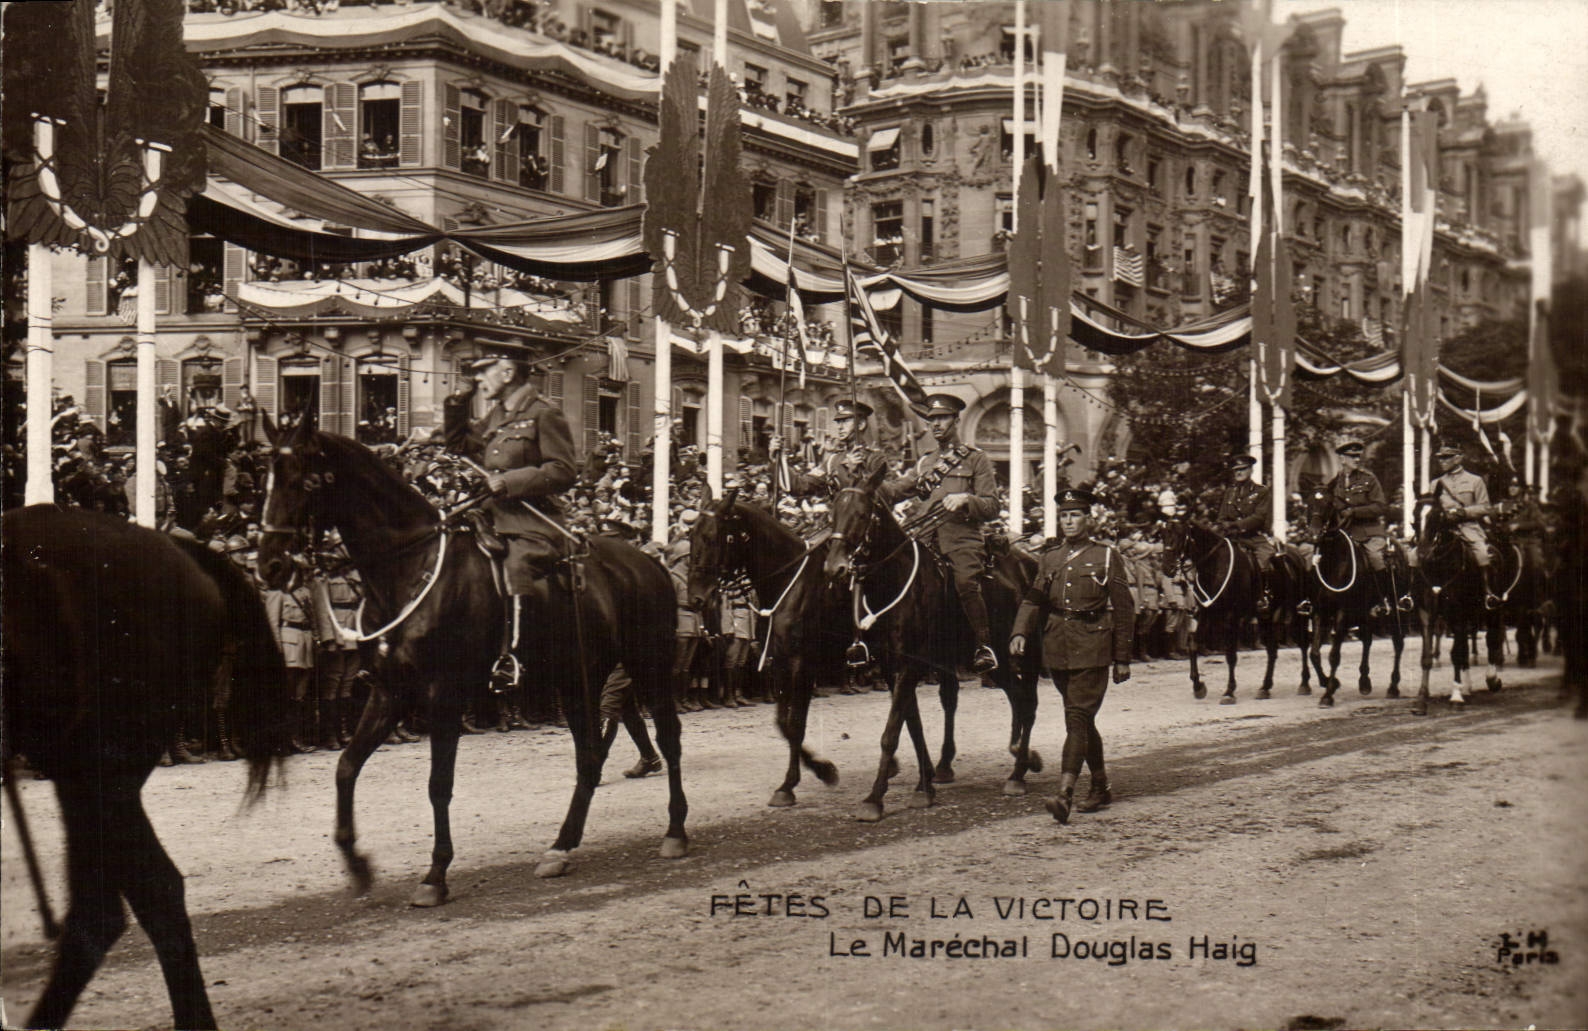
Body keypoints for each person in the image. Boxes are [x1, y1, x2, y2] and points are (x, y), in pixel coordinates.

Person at [444, 346, 579, 690]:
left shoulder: (544, 414)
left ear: (507, 373)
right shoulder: (497, 416)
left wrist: (510, 481)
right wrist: (460, 399)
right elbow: (458, 443)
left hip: (531, 521)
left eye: (483, 370)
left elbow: (563, 471)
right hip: (489, 513)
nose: (478, 378)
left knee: (517, 566)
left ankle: (514, 657)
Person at [1009, 488, 1134, 824]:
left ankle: (1065, 793)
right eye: (1064, 515)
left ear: (1088, 519)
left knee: (1076, 718)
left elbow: (1124, 609)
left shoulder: (1107, 557)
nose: (1068, 521)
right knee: (1081, 719)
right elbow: (1034, 599)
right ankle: (1101, 784)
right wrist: (1020, 631)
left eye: (1075, 515)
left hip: (1093, 647)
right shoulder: (1050, 558)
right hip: (1059, 648)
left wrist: (1122, 657)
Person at [881, 394, 1002, 674]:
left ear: (956, 420)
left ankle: (983, 646)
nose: (936, 424)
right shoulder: (925, 463)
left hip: (961, 539)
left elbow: (992, 505)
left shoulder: (975, 459)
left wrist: (965, 499)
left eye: (942, 418)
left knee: (964, 582)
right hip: (923, 539)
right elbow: (895, 490)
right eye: (932, 419)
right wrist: (863, 481)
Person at [1323, 440, 1400, 616]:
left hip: (1368, 532)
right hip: (1342, 534)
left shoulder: (1368, 479)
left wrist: (1354, 512)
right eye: (1351, 456)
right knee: (1321, 557)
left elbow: (1380, 506)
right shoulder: (1334, 483)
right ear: (1342, 459)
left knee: (1375, 557)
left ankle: (1383, 599)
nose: (1356, 459)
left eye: (1358, 456)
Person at [1431, 441, 1499, 608]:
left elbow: (1485, 507)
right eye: (1440, 458)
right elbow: (1430, 507)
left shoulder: (1475, 481)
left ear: (1458, 458)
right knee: (1416, 554)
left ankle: (1488, 592)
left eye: (1446, 457)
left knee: (1482, 553)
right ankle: (1415, 596)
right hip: (1443, 529)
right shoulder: (1435, 484)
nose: (1442, 461)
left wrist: (1464, 512)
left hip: (1468, 528)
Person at [772, 398, 883, 498]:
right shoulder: (833, 461)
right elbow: (802, 486)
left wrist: (852, 472)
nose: (839, 427)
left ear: (861, 425)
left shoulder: (874, 459)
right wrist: (777, 459)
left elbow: (875, 495)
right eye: (839, 422)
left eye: (845, 421)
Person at [1213, 453, 1276, 612]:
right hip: (1231, 537)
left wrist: (1236, 524)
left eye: (1242, 469)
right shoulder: (1230, 492)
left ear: (1251, 470)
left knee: (1265, 556)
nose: (1239, 473)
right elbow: (1221, 516)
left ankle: (1263, 595)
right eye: (1236, 470)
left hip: (1252, 537)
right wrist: (1223, 525)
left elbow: (1259, 517)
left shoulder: (1261, 491)